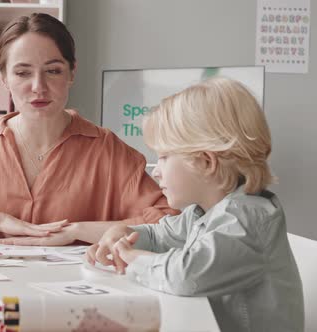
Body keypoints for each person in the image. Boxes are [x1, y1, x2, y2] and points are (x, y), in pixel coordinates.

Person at [0, 13, 175, 245]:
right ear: (4, 78)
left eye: (53, 70)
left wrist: (77, 231)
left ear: (72, 72)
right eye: (23, 73)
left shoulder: (106, 150)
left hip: (79, 294)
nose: (38, 87)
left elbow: (170, 223)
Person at [86, 77, 304, 332]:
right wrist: (122, 234)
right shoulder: (205, 211)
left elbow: (186, 276)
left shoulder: (246, 219)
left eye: (164, 157)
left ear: (206, 163)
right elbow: (160, 235)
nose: (156, 171)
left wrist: (133, 258)